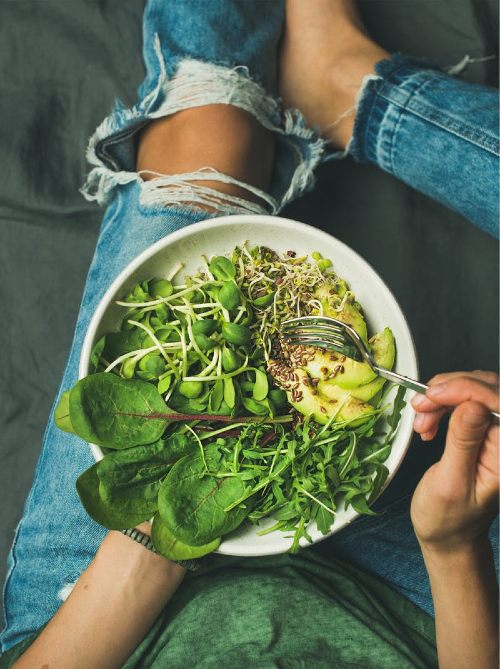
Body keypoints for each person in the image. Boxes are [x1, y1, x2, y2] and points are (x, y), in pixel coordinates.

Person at [0, 1, 498, 667]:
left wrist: (150, 548)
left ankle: (339, 83)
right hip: (417, 608)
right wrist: (455, 545)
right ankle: (360, 93)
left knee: (210, 126)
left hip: (110, 619)